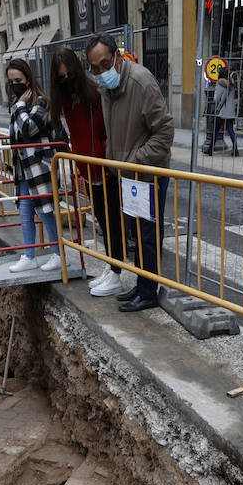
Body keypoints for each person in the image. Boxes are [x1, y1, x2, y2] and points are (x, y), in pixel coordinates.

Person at [85, 34, 174, 313]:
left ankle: (148, 291)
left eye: (105, 64)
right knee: (136, 232)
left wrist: (134, 161)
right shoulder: (106, 89)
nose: (101, 72)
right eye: (95, 68)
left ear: (118, 58)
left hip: (147, 175)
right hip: (128, 175)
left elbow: (165, 132)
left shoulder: (141, 82)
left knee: (148, 234)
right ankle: (142, 285)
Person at [49, 47, 126, 297]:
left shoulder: (94, 94)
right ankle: (111, 266)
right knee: (103, 221)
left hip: (105, 168)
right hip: (88, 170)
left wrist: (104, 155)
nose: (66, 80)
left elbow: (109, 131)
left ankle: (116, 271)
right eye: (61, 77)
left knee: (112, 221)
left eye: (69, 74)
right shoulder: (67, 100)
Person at [4, 57, 61, 273]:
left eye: (18, 80)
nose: (14, 85)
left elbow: (29, 129)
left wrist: (19, 107)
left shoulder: (41, 103)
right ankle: (29, 256)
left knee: (45, 211)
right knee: (25, 212)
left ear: (28, 79)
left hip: (39, 168)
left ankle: (58, 254)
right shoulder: (16, 106)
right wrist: (18, 107)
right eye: (11, 82)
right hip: (23, 169)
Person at [201, 66, 237, 157]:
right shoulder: (231, 84)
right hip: (230, 111)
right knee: (230, 130)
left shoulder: (220, 83)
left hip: (221, 111)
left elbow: (217, 98)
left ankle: (210, 149)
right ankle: (235, 148)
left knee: (216, 130)